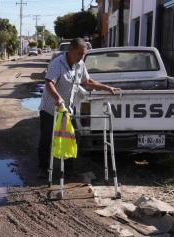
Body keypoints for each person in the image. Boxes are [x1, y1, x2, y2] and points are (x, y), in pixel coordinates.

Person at [38, 38, 121, 179]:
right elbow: (49, 83)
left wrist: (107, 88)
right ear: (70, 50)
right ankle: (43, 167)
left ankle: (68, 171)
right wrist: (57, 98)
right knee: (47, 139)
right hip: (50, 109)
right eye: (79, 54)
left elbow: (87, 81)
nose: (82, 57)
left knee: (71, 138)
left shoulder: (80, 64)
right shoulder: (57, 64)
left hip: (66, 110)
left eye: (83, 54)